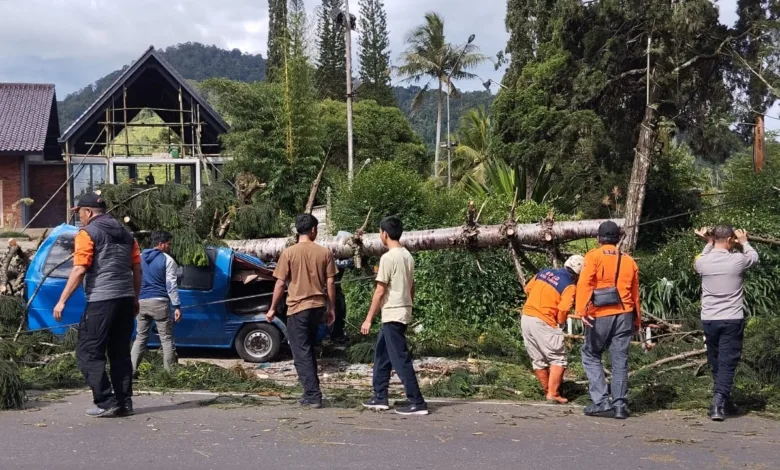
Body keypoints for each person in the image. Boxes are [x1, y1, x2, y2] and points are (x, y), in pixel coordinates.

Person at [53, 193, 142, 418]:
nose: (79, 218)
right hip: (124, 301)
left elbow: (80, 268)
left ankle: (105, 400)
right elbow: (137, 269)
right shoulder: (126, 233)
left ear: (89, 212)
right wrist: (134, 298)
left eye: (80, 213)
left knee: (88, 352)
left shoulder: (87, 233)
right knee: (120, 353)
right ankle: (124, 403)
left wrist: (62, 300)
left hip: (101, 300)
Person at [267, 214, 337, 409]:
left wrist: (272, 308)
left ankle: (313, 395)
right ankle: (311, 392)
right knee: (308, 349)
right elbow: (331, 282)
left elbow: (280, 283)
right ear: (313, 230)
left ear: (297, 231)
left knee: (301, 352)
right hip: (317, 308)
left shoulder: (288, 253)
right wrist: (331, 308)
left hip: (298, 309)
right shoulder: (325, 253)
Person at [361, 216, 428, 416]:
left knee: (399, 358)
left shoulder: (388, 258)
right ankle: (380, 396)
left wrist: (368, 318)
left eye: (380, 232)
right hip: (402, 310)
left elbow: (380, 291)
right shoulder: (408, 256)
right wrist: (409, 303)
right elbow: (412, 286)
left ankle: (417, 401)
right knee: (382, 355)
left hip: (392, 313)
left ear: (385, 234)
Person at [575, 221, 641, 420]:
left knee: (590, 354)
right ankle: (620, 405)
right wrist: (637, 320)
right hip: (625, 313)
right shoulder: (629, 261)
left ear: (598, 239)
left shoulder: (593, 256)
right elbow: (635, 293)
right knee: (620, 360)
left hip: (600, 313)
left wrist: (580, 311)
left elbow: (585, 283)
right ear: (619, 239)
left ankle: (602, 402)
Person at [694, 225, 759, 421]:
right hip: (731, 318)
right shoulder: (737, 260)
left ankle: (725, 400)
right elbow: (754, 258)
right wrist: (745, 241)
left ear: (714, 239)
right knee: (728, 361)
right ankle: (718, 401)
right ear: (731, 239)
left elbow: (701, 259)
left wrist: (708, 243)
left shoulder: (702, 262)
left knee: (715, 360)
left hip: (709, 319)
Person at [522, 255, 585, 404]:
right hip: (544, 320)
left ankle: (547, 391)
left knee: (538, 360)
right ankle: (553, 394)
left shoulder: (544, 272)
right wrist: (560, 324)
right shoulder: (569, 286)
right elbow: (563, 309)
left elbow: (528, 289)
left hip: (526, 317)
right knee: (558, 359)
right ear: (579, 274)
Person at [131, 230, 182, 374]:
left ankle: (131, 369)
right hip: (159, 302)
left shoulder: (139, 258)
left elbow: (133, 279)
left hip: (142, 302)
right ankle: (169, 373)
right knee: (166, 339)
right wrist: (177, 306)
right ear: (161, 244)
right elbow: (171, 285)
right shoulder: (168, 260)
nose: (169, 246)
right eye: (168, 244)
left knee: (140, 337)